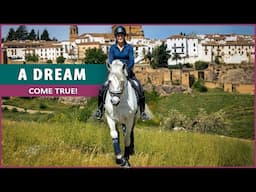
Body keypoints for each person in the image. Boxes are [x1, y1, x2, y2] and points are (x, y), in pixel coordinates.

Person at [95, 25, 149, 121]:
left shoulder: (129, 48)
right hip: (115, 73)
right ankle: (99, 109)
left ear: (124, 36)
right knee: (103, 87)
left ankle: (143, 111)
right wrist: (113, 70)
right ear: (116, 36)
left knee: (138, 87)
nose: (120, 37)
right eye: (118, 35)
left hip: (127, 72)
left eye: (122, 35)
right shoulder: (112, 48)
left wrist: (126, 70)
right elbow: (111, 61)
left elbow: (131, 61)